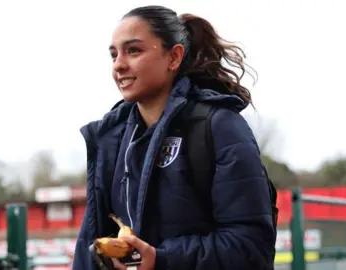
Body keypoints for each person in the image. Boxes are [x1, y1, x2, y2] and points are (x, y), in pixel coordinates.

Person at [72, 5, 277, 270]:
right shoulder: (109, 140)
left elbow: (250, 246)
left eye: (134, 50)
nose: (119, 65)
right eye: (114, 55)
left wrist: (161, 259)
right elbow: (89, 244)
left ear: (174, 57)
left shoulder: (220, 127)